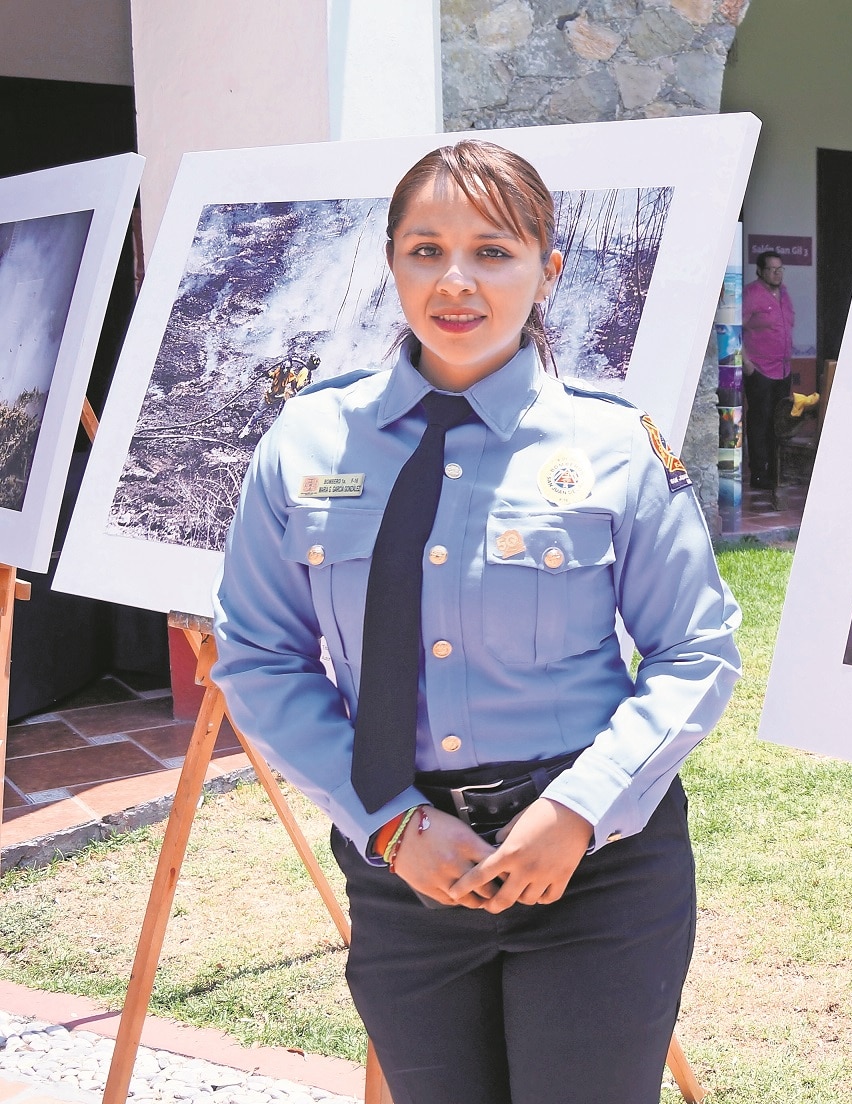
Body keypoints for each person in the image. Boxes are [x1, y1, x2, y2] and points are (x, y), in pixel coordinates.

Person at [209, 139, 741, 1104]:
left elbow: (694, 650)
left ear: (549, 271)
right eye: (425, 250)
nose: (455, 281)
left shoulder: (612, 445)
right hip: (403, 870)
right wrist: (389, 824)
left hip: (595, 870)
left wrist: (579, 810)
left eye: (493, 251)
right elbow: (259, 656)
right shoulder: (307, 442)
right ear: (392, 262)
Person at [741, 249, 796, 489]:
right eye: (772, 269)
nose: (777, 273)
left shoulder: (784, 294)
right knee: (759, 422)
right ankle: (759, 473)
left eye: (780, 268)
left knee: (780, 422)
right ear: (761, 271)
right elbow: (734, 327)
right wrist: (746, 363)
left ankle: (777, 471)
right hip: (760, 370)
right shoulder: (751, 294)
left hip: (783, 369)